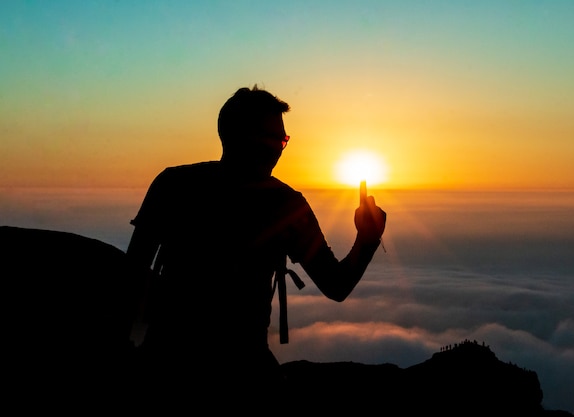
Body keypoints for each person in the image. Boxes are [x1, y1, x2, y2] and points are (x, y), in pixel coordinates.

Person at [125, 85, 386, 408]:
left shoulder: (173, 184)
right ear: (240, 135)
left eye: (283, 140)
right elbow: (336, 284)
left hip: (165, 364)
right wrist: (367, 238)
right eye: (274, 138)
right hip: (244, 375)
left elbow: (131, 274)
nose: (279, 148)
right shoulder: (286, 205)